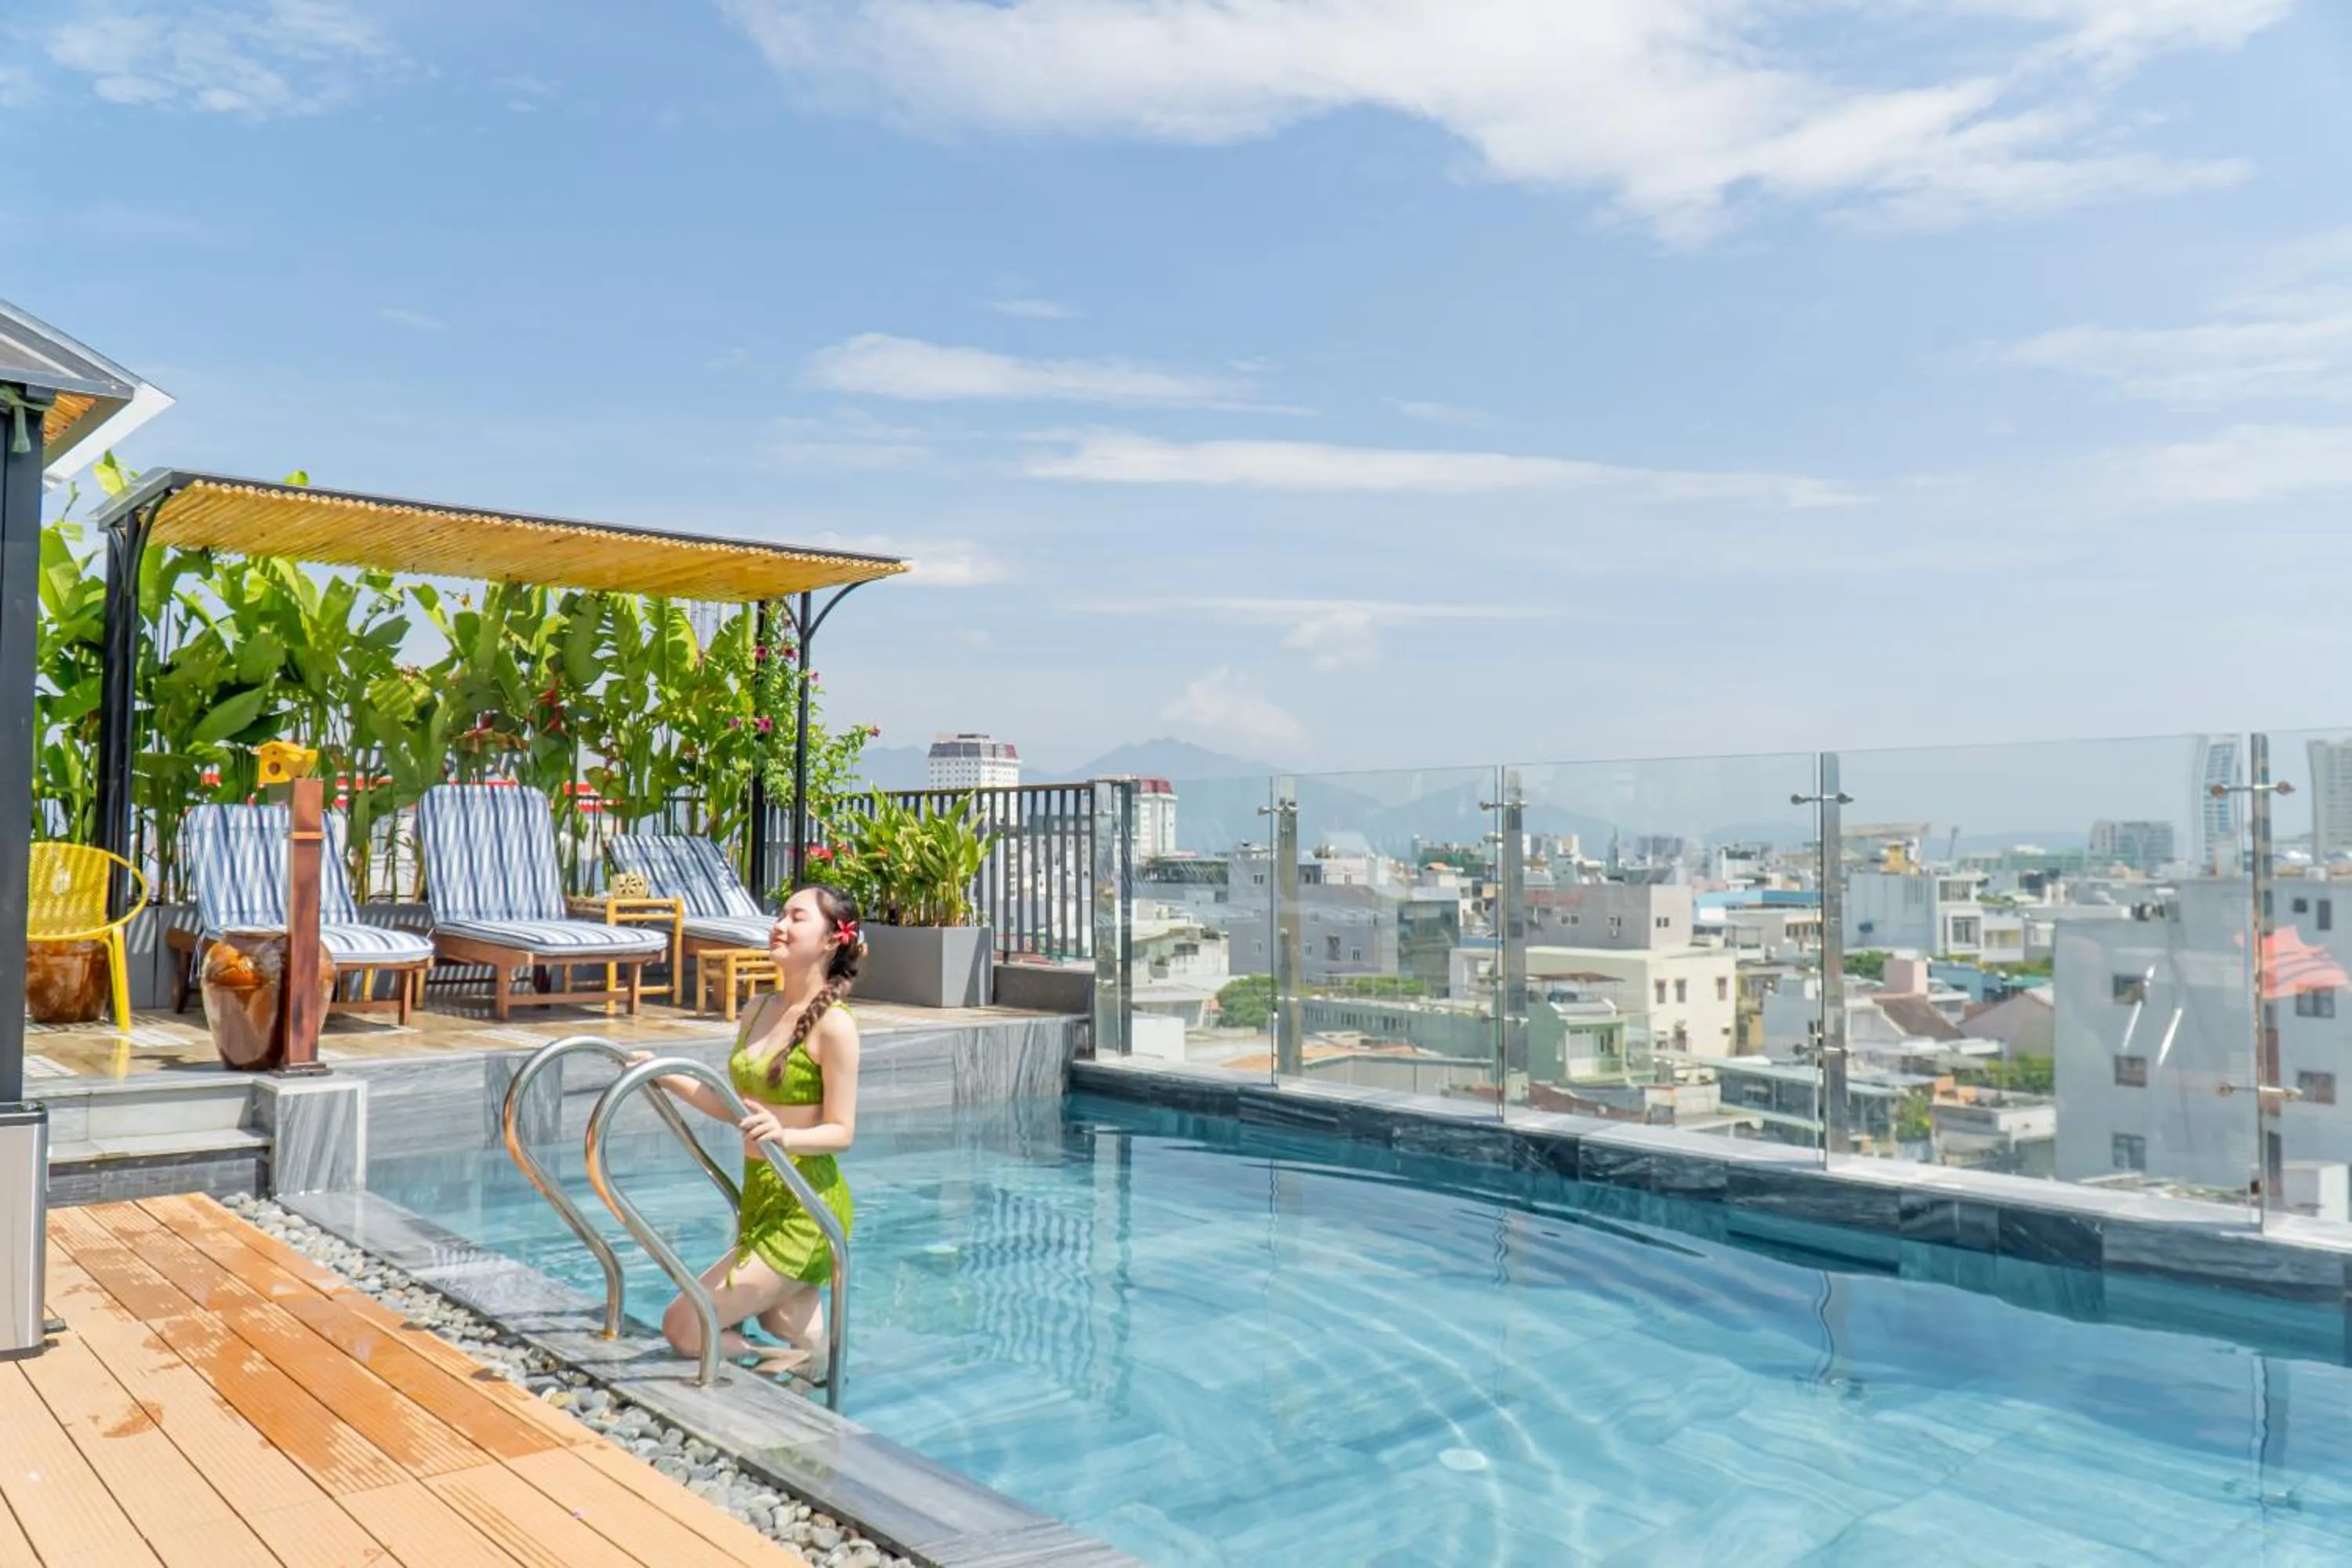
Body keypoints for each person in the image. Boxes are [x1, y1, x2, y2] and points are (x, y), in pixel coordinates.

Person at [630, 884, 862, 1381]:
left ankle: (791, 1366)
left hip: (806, 1207)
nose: (780, 924)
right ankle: (815, 1383)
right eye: (781, 914)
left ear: (829, 941)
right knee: (785, 1321)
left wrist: (785, 1137)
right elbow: (732, 1105)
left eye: (797, 918)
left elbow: (842, 1132)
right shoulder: (758, 1010)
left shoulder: (836, 1027)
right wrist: (665, 1073)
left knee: (684, 1325)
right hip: (760, 1199)